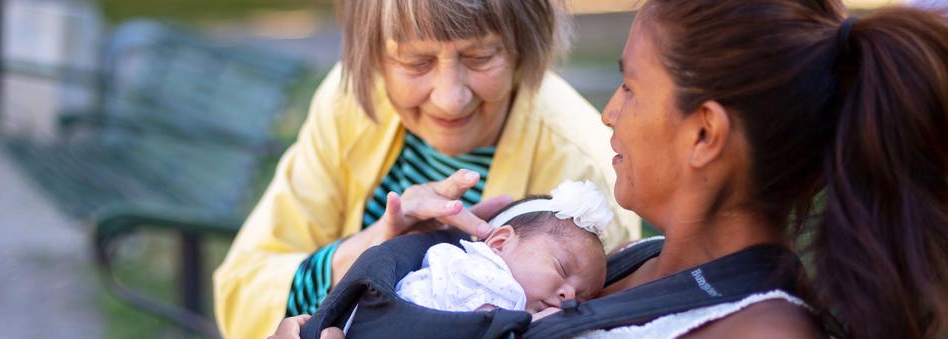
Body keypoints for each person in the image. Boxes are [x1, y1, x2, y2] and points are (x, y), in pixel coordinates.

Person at [270, 0, 948, 338]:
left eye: (628, 86)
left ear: (703, 132)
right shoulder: (631, 261)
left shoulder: (755, 330)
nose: (606, 113)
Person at [212, 0, 641, 337]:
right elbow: (244, 284)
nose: (449, 98)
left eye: (480, 57)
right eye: (416, 62)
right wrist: (369, 249)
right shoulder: (348, 102)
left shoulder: (580, 168)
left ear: (526, 45)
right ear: (373, 55)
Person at [395, 181, 612, 319]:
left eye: (582, 299)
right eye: (561, 268)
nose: (569, 296)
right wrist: (533, 324)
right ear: (500, 243)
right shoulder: (476, 272)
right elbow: (480, 324)